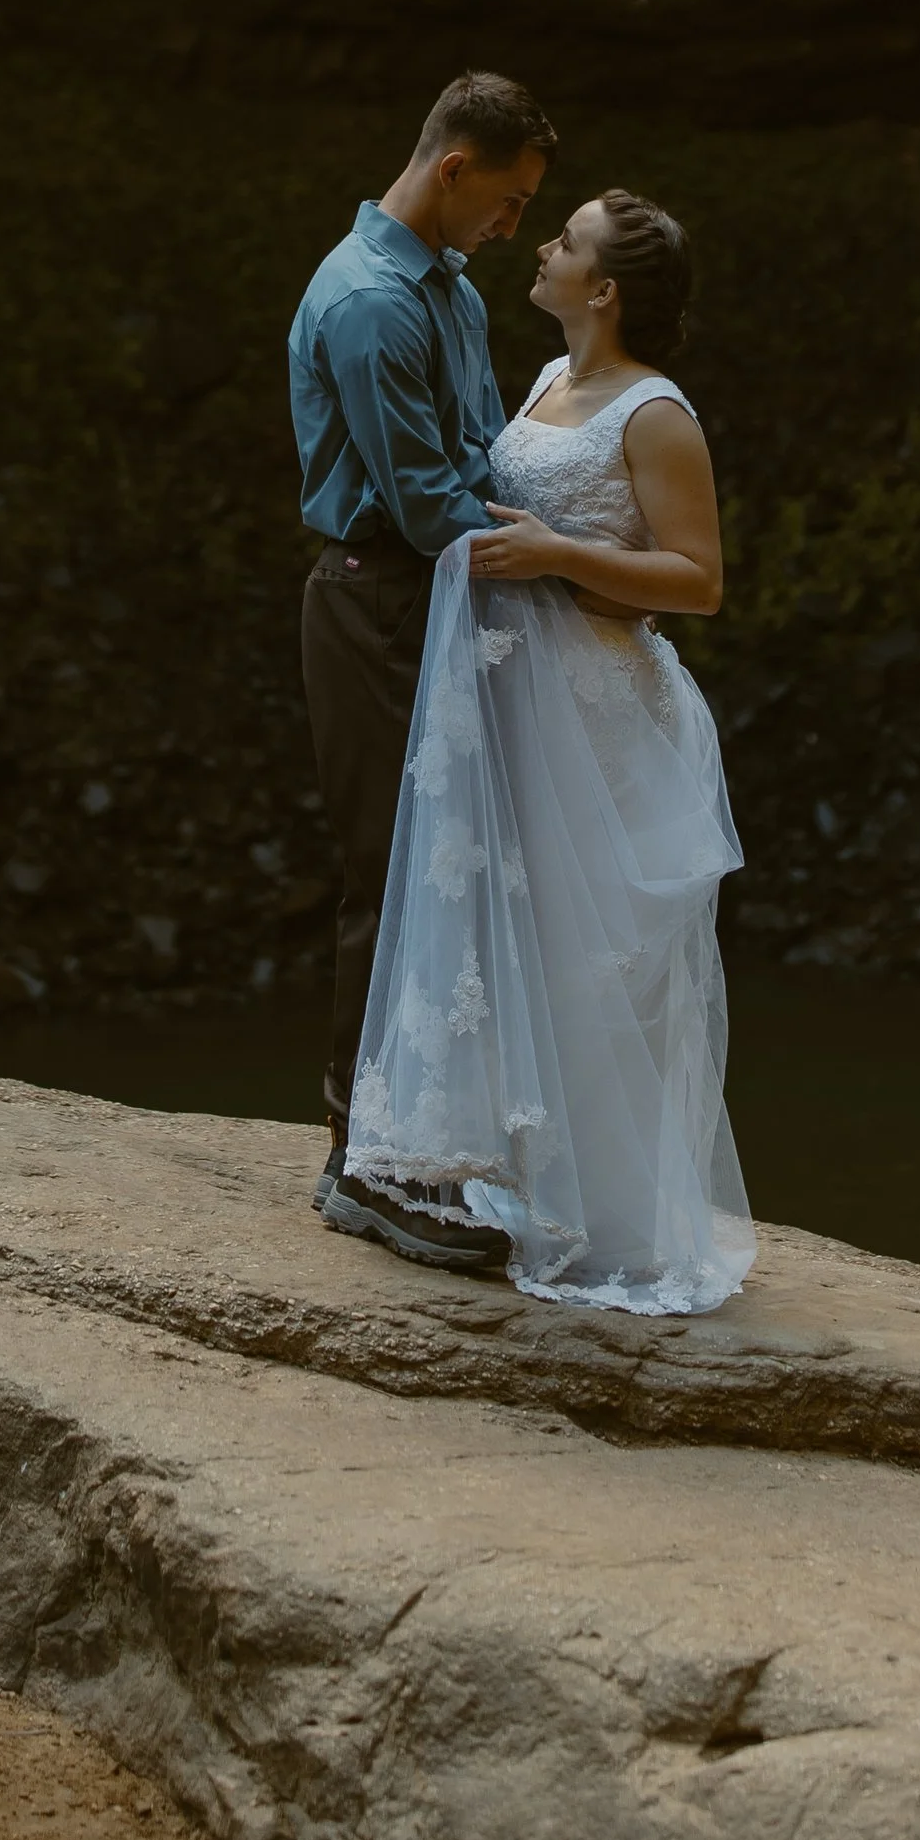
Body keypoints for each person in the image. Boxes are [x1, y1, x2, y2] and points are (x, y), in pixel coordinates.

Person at [340, 189, 756, 1315]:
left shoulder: (656, 415)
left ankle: (613, 1223)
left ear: (604, 288)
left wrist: (557, 555)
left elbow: (698, 580)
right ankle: (522, 1180)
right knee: (523, 942)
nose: (543, 245)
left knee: (592, 960)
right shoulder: (544, 380)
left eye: (565, 240)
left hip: (604, 718)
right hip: (520, 705)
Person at [289, 70, 557, 1272]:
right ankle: (361, 1163)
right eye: (508, 201)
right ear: (453, 169)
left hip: (447, 594)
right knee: (390, 873)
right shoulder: (369, 302)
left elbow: (477, 457)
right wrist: (575, 577)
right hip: (381, 600)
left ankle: (412, 1147)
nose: (512, 227)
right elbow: (422, 500)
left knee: (451, 871)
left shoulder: (447, 287)